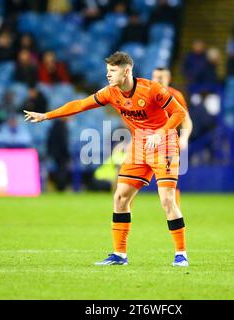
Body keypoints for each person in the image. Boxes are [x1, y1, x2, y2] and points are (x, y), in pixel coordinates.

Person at [24, 51, 189, 267]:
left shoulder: (152, 90)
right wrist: (47, 115)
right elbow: (81, 104)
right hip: (139, 146)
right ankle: (119, 255)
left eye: (112, 71)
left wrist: (159, 133)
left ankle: (181, 254)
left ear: (126, 70)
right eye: (107, 71)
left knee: (167, 200)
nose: (108, 75)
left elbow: (179, 114)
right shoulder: (111, 93)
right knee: (120, 198)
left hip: (164, 144)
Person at [152, 67, 193, 208]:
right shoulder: (145, 93)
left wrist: (184, 137)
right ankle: (125, 218)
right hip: (146, 142)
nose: (156, 80)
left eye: (160, 78)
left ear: (168, 79)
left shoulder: (176, 96)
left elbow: (186, 120)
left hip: (167, 144)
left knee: (169, 185)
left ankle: (175, 218)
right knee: (129, 184)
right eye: (155, 77)